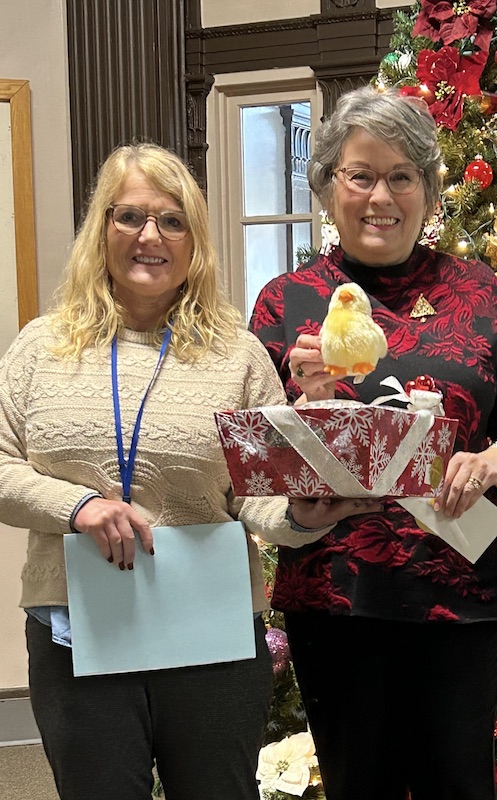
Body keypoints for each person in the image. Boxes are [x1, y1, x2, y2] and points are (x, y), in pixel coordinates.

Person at [0, 142, 375, 800]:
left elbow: (256, 496)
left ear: (194, 241)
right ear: (101, 229)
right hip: (78, 632)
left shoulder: (238, 356)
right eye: (130, 216)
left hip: (210, 634)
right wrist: (78, 508)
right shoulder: (41, 346)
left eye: (172, 221)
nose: (150, 237)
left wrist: (298, 514)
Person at [250, 86, 497, 800]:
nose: (380, 197)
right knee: (361, 788)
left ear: (428, 189)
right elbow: (255, 458)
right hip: (335, 596)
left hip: (458, 590)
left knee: (460, 787)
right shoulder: (285, 302)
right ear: (328, 186)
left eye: (401, 176)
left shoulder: (477, 291)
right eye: (360, 175)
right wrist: (306, 404)